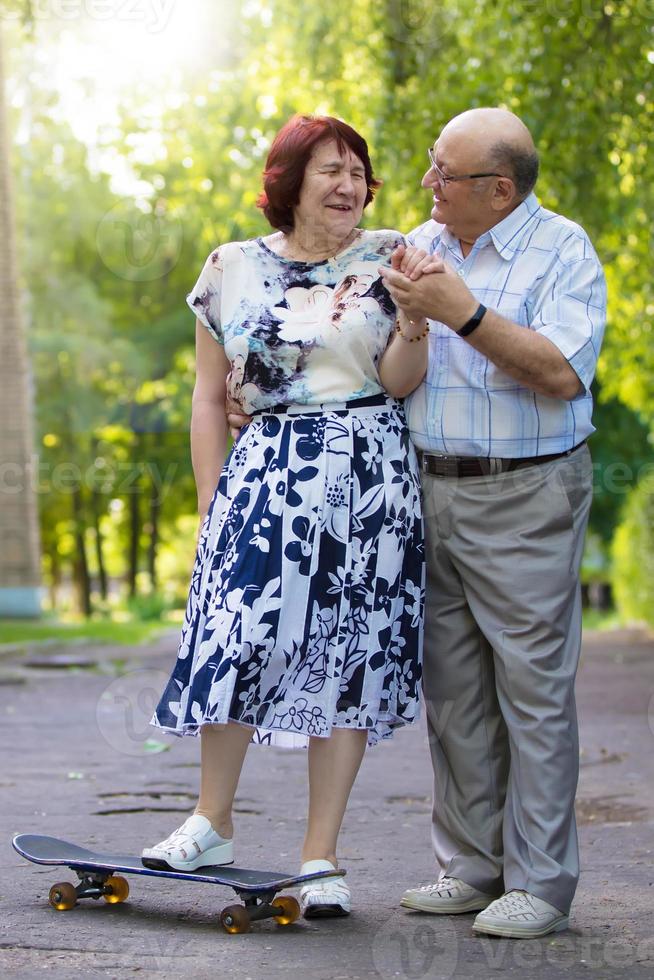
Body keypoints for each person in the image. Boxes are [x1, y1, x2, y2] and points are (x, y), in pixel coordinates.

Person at [142, 114, 431, 918]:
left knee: (350, 655)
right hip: (265, 471)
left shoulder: (390, 255)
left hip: (367, 477)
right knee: (237, 636)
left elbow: (401, 380)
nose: (349, 185)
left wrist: (413, 321)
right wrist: (211, 502)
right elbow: (208, 396)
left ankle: (320, 857)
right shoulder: (230, 266)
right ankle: (212, 819)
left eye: (358, 172)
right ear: (290, 180)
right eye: (331, 169)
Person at [378, 107, 607, 939]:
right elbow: (386, 373)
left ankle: (541, 884)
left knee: (533, 693)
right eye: (432, 165)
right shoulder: (417, 243)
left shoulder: (563, 251)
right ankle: (471, 866)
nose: (427, 184)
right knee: (455, 691)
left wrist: (462, 313)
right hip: (429, 491)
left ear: (500, 189)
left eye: (445, 173)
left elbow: (560, 372)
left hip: (527, 494)